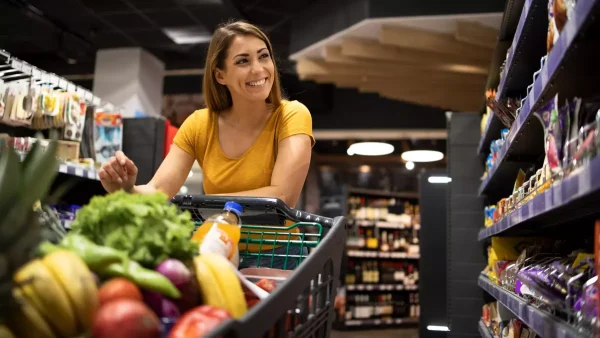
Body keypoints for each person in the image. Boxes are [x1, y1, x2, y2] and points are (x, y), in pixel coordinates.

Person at [98, 21, 315, 269]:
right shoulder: (199, 124)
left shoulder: (292, 115)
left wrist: (200, 204)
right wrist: (126, 189)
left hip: (279, 255)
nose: (258, 69)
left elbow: (282, 196)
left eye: (263, 56)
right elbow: (158, 189)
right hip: (217, 250)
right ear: (220, 75)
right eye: (243, 61)